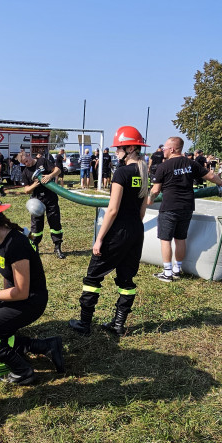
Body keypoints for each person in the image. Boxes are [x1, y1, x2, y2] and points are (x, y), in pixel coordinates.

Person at [0, 194, 64, 383]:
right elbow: (8, 277)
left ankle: (23, 371)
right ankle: (45, 346)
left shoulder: (16, 244)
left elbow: (21, 291)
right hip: (18, 300)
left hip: (31, 302)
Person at [70, 126, 151, 336]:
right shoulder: (143, 173)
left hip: (118, 232)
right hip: (136, 231)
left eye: (119, 148)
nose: (116, 152)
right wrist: (133, 228)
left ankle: (84, 323)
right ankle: (118, 324)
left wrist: (99, 239)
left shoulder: (122, 173)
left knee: (92, 278)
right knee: (126, 280)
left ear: (131, 148)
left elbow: (112, 210)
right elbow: (143, 208)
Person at [149, 136, 222, 282]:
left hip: (169, 207)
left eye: (165, 147)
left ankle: (167, 272)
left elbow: (155, 190)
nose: (163, 150)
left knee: (165, 239)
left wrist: (150, 200)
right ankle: (177, 269)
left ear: (172, 149)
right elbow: (209, 175)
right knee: (180, 238)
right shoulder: (191, 163)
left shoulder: (163, 167)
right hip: (187, 206)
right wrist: (221, 183)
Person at [18, 150, 65, 258]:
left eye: (27, 161)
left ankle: (57, 248)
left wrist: (50, 176)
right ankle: (34, 247)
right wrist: (34, 185)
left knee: (55, 223)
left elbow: (57, 170)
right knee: (36, 227)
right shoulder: (25, 172)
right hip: (37, 201)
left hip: (51, 197)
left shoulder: (43, 161)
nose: (27, 164)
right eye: (24, 163)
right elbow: (26, 190)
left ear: (29, 155)